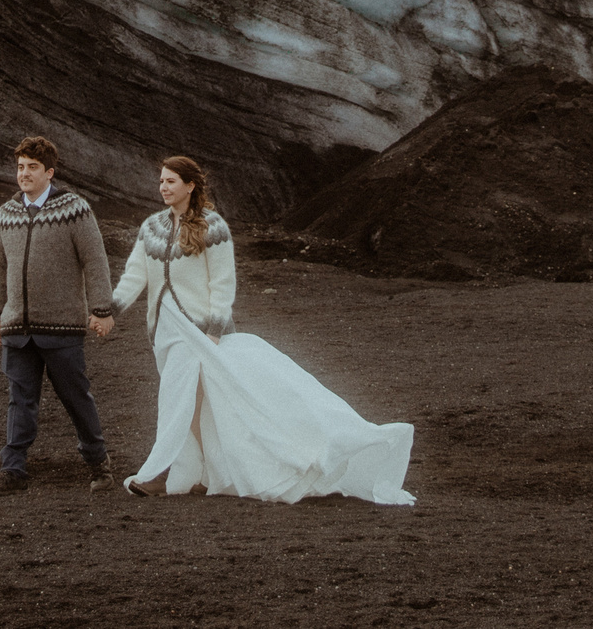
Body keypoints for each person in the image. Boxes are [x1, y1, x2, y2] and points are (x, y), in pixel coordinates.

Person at [108, 154, 415, 503]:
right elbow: (136, 273)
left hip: (198, 329)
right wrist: (110, 310)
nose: (163, 187)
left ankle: (164, 472)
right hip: (165, 329)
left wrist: (215, 328)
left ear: (190, 186)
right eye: (161, 181)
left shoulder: (214, 227)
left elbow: (223, 283)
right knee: (198, 401)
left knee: (178, 397)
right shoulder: (151, 228)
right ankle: (201, 471)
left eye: (170, 181)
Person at [0, 135, 118, 495]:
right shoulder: (6, 213)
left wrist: (101, 309)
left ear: (49, 172)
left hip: (62, 327)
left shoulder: (75, 209)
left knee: (76, 397)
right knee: (20, 398)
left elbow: (95, 260)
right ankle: (13, 471)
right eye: (20, 167)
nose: (24, 174)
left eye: (32, 168)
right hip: (16, 328)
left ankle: (98, 463)